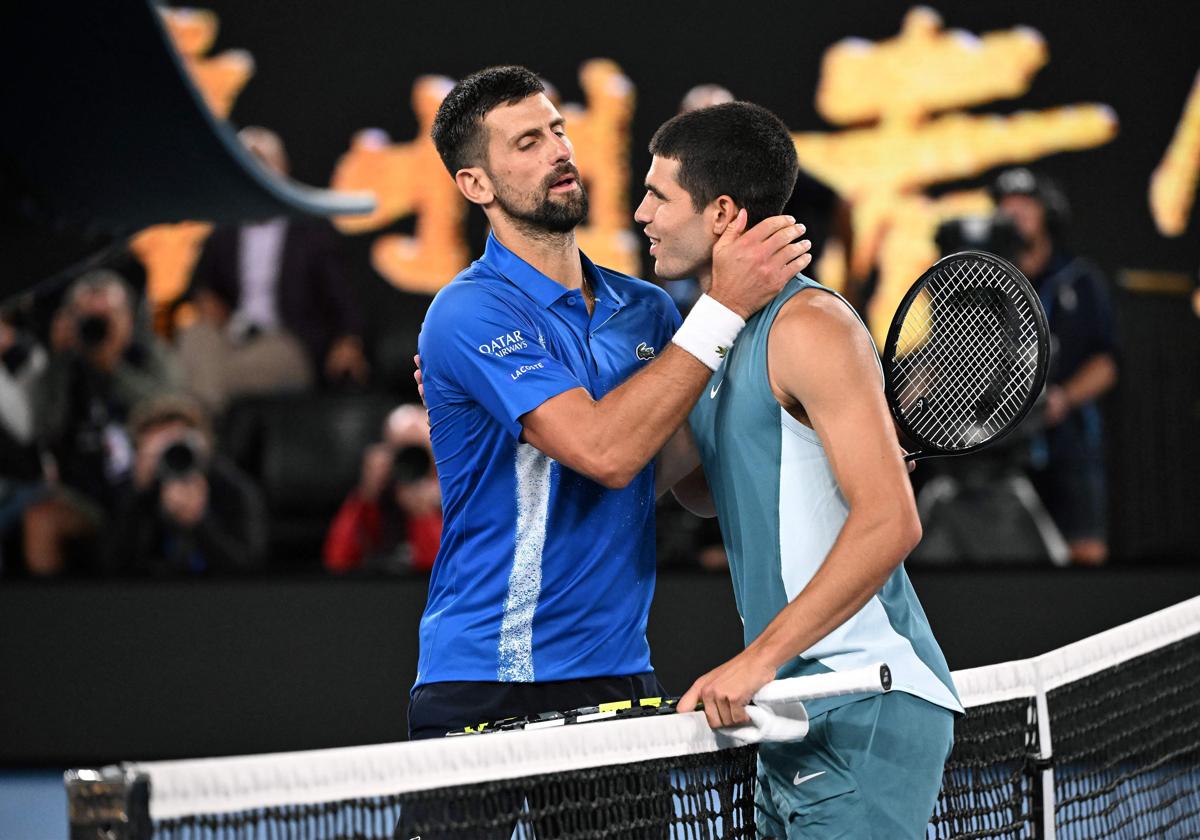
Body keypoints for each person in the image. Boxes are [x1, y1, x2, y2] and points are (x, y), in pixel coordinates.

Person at [411, 65, 810, 740]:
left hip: (618, 676)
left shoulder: (649, 310)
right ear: (474, 184)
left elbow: (690, 485)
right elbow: (607, 453)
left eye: (559, 131)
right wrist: (723, 308)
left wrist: (817, 435)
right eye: (526, 143)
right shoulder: (467, 312)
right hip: (486, 680)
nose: (559, 151)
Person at [634, 102, 962, 838]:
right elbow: (656, 478)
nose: (640, 212)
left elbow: (891, 520)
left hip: (862, 694)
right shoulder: (720, 336)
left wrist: (757, 660)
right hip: (792, 708)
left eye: (659, 195)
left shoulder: (811, 326)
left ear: (720, 212)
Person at [179, 127, 368, 414]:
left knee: (201, 380)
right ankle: (200, 417)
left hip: (288, 341)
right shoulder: (223, 233)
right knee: (196, 336)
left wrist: (349, 341)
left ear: (282, 170)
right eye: (245, 162)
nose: (253, 171)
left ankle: (192, 418)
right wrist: (208, 305)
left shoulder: (312, 233)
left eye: (262, 161)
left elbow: (343, 298)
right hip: (233, 337)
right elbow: (203, 289)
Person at [991, 168, 1118, 566]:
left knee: (1085, 555)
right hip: (1003, 452)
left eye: (1025, 205)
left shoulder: (1080, 280)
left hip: (1069, 446)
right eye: (1005, 207)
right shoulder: (984, 285)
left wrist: (1063, 398)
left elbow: (1107, 362)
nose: (1015, 214)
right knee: (1006, 567)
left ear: (1046, 211)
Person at [24, 270, 182, 575]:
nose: (97, 326)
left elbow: (170, 413)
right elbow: (43, 428)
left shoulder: (150, 356)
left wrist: (112, 366)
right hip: (86, 496)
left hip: (147, 491)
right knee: (40, 517)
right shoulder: (65, 364)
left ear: (129, 317)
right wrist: (59, 361)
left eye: (107, 316)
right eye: (87, 317)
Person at [104, 393, 268, 575]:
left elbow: (249, 572)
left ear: (204, 444)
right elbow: (108, 569)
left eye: (178, 446)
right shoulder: (131, 492)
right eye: (159, 450)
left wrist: (199, 522)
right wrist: (138, 495)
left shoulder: (235, 489)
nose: (172, 459)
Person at [323, 404, 442, 574]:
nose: (412, 462)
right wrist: (366, 496)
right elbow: (337, 561)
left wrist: (423, 514)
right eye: (403, 451)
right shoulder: (377, 497)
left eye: (420, 451)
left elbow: (444, 571)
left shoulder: (452, 492)